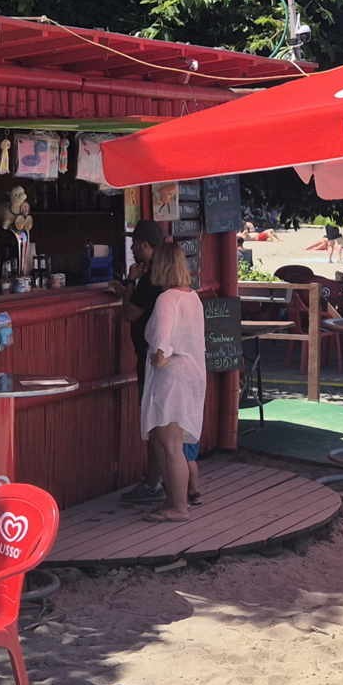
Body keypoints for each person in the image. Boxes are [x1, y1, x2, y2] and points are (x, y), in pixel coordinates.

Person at [139, 246, 206, 521]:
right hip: (192, 372)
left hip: (172, 376)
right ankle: (172, 500)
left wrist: (158, 358)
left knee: (169, 444)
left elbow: (162, 342)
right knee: (166, 441)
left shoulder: (167, 298)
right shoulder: (192, 297)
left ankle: (178, 506)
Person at [118, 220, 173, 503]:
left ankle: (153, 483)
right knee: (167, 425)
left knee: (154, 425)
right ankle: (169, 482)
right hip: (167, 357)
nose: (132, 249)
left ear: (143, 245)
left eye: (134, 244)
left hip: (151, 358)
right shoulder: (166, 274)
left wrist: (129, 282)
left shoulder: (150, 279)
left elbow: (129, 313)